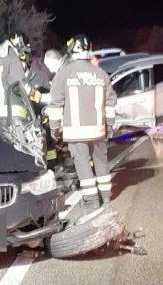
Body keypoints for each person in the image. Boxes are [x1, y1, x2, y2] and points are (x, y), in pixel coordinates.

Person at [48, 34, 117, 213]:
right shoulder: (100, 74)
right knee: (101, 162)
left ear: (71, 51)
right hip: (98, 130)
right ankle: (107, 197)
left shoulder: (64, 74)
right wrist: (109, 127)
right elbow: (110, 104)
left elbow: (55, 105)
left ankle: (92, 201)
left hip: (76, 133)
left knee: (84, 165)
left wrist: (54, 130)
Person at [0, 32, 28, 121]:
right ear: (17, 39)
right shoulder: (12, 57)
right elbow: (19, 86)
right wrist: (32, 91)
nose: (23, 52)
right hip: (12, 111)